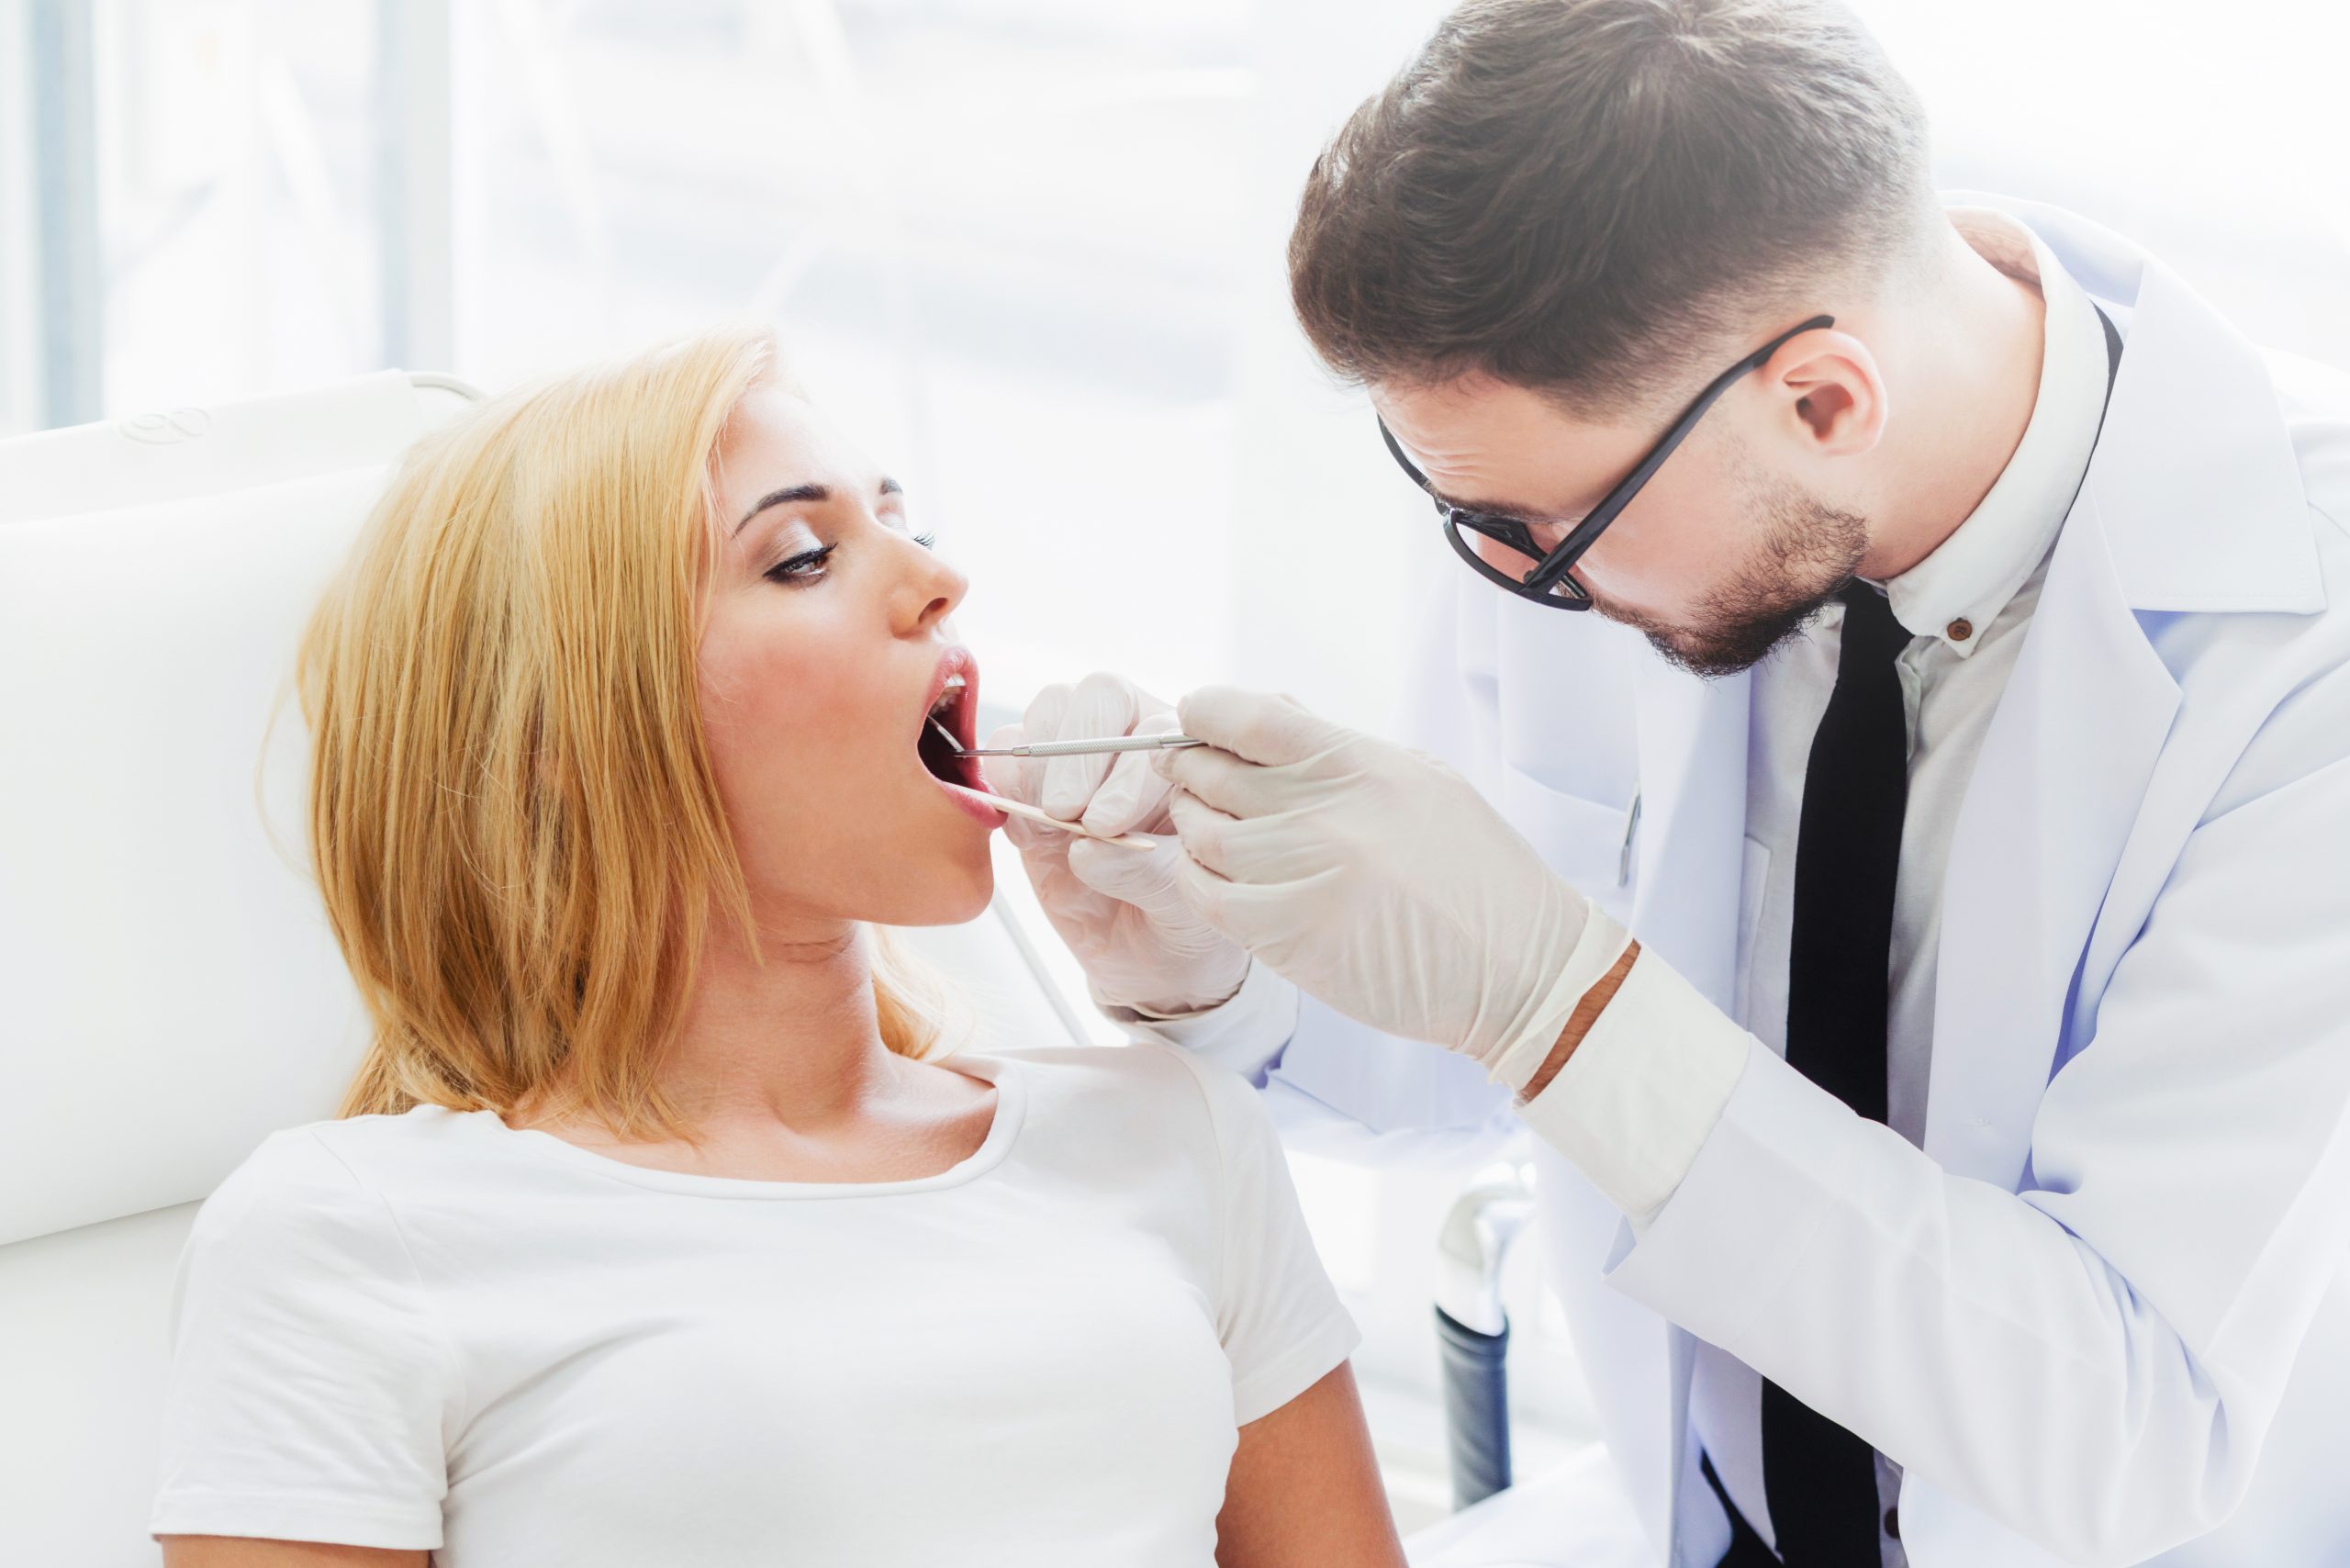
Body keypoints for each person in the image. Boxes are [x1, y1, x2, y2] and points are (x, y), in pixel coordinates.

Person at [992, 2, 2350, 1565]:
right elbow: (1492, 1068)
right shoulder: (1597, 490)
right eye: (1462, 514)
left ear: (1826, 401)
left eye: (1538, 533)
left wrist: (1551, 989)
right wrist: (1227, 970)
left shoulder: (2299, 662)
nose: (1507, 585)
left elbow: (2124, 1431)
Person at [146, 326, 1405, 1568]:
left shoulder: (1173, 1130)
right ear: (566, 741)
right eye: (802, 558)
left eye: (904, 520)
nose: (935, 578)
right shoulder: (347, 1235)